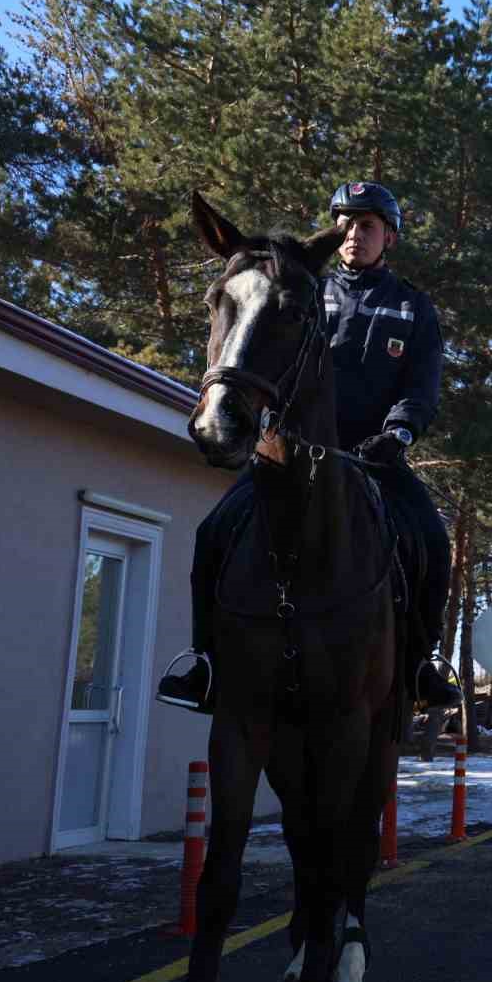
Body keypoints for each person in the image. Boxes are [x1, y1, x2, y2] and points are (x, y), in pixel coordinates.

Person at [157, 181, 463, 713]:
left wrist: (400, 432)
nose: (353, 234)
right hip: (291, 450)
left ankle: (422, 663)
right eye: (345, 223)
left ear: (388, 237)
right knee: (213, 532)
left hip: (376, 457)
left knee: (433, 541)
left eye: (366, 225)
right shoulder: (297, 289)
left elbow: (422, 385)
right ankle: (203, 661)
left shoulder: (413, 307)